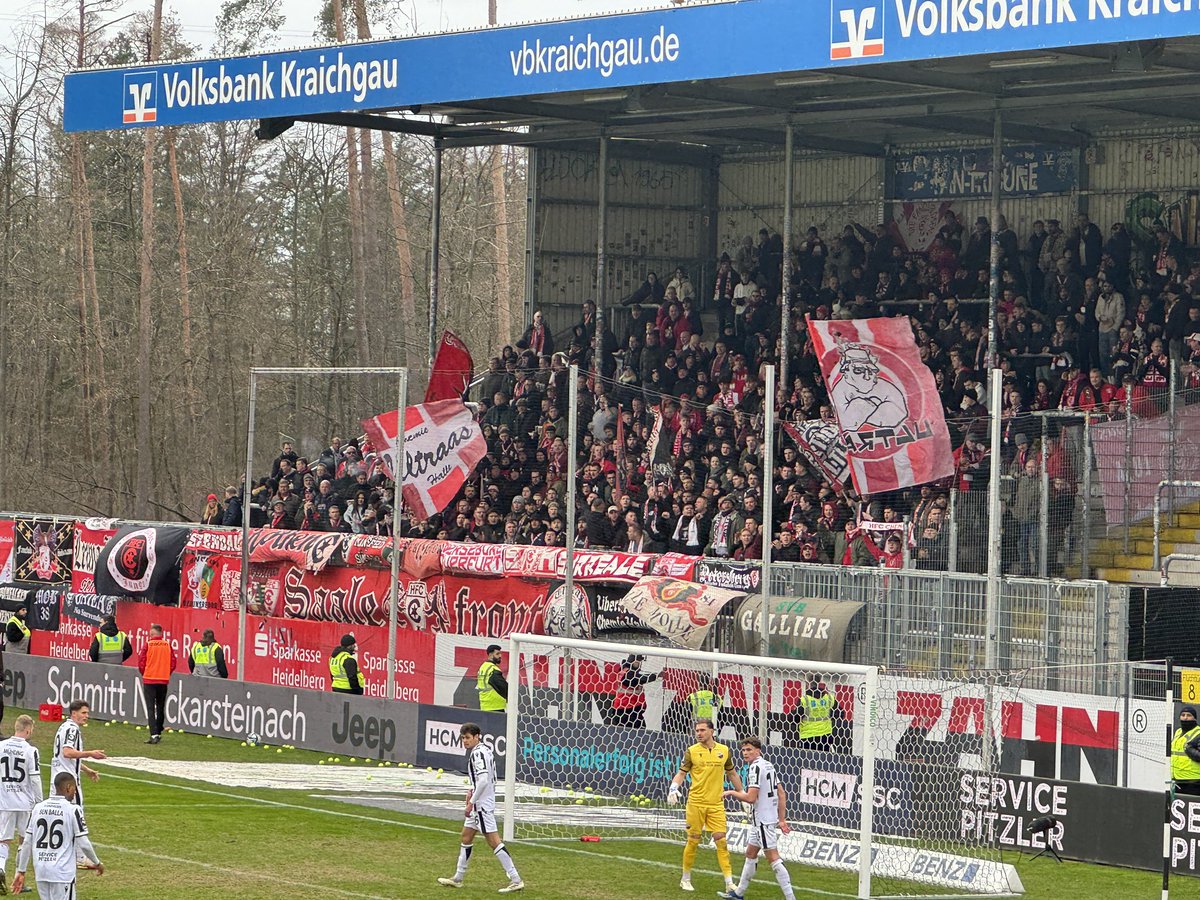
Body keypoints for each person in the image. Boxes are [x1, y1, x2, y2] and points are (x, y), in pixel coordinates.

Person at [437, 723, 524, 893]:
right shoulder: (485, 750)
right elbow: (483, 780)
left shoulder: (478, 754)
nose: (465, 741)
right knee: (466, 837)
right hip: (480, 802)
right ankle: (458, 878)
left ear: (477, 737)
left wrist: (472, 802)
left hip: (481, 805)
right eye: (463, 738)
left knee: (493, 841)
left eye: (468, 737)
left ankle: (515, 879)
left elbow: (484, 780)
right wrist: (471, 791)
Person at [669, 718, 743, 894]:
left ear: (712, 731)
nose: (699, 733)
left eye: (702, 730)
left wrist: (742, 795)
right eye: (697, 731)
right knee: (693, 840)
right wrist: (673, 788)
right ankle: (685, 878)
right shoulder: (692, 751)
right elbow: (681, 773)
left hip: (716, 804)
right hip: (696, 803)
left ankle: (729, 882)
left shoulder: (723, 750)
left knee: (722, 841)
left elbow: (732, 773)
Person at [718, 736, 796, 900]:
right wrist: (781, 819)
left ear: (758, 750)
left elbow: (751, 798)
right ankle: (739, 894)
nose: (745, 753)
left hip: (762, 821)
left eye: (749, 750)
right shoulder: (769, 765)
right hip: (762, 820)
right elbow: (782, 793)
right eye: (743, 750)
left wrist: (731, 792)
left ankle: (791, 898)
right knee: (750, 853)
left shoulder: (755, 769)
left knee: (773, 858)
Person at [12, 773, 104, 898]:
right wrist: (97, 863)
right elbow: (84, 843)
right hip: (62, 872)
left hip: (41, 871)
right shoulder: (73, 810)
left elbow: (27, 842)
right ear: (68, 787)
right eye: (74, 788)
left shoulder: (38, 808)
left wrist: (21, 871)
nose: (75, 792)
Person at [0, 715, 42, 893]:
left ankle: (0, 868)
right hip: (25, 802)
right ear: (28, 730)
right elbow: (34, 779)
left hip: (4, 800)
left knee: (3, 839)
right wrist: (40, 801)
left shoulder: (1, 746)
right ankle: (19, 879)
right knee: (25, 840)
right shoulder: (30, 750)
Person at [51, 701, 105, 808]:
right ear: (74, 713)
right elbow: (67, 752)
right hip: (68, 782)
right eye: (83, 713)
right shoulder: (72, 729)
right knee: (76, 817)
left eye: (87, 713)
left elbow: (65, 757)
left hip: (57, 780)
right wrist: (90, 753)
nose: (86, 716)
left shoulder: (63, 726)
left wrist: (86, 770)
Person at [138, 624, 172, 745]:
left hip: (150, 679)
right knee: (161, 706)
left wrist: (145, 672)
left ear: (152, 634)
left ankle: (154, 734)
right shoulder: (167, 645)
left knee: (151, 708)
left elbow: (141, 661)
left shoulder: (148, 645)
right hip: (163, 679)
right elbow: (173, 662)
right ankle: (158, 730)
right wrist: (166, 673)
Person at [612, 654, 658, 729]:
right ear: (631, 661)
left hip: (632, 708)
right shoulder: (628, 674)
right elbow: (640, 679)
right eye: (637, 661)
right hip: (626, 709)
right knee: (637, 732)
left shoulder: (627, 671)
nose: (639, 664)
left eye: (640, 661)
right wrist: (657, 676)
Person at [797, 681, 836, 754]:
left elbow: (793, 719)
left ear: (808, 685)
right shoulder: (829, 698)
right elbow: (840, 714)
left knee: (808, 762)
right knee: (823, 761)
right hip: (825, 737)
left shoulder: (805, 700)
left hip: (808, 737)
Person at [1173, 706, 1200, 795]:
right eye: (1183, 715)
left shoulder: (1198, 733)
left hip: (1194, 781)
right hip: (1178, 779)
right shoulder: (1178, 732)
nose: (1185, 717)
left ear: (1194, 718)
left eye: (1189, 715)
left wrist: (1190, 750)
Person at [476, 644, 508, 712]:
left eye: (500, 653)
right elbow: (503, 687)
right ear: (490, 655)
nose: (500, 656)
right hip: (495, 706)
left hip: (485, 705)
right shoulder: (493, 670)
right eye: (497, 654)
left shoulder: (483, 667)